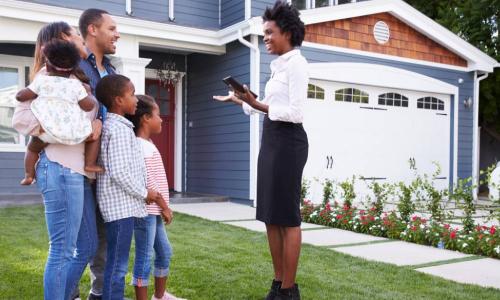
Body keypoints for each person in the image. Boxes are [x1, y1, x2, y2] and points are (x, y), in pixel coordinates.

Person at [213, 2, 308, 299]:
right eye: (263, 33)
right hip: (271, 141)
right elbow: (268, 109)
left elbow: (294, 112)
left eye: (270, 32)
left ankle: (290, 290)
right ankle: (278, 282)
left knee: (287, 217)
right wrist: (242, 101)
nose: (265, 37)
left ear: (288, 33)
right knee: (270, 215)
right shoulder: (277, 66)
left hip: (289, 143)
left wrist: (256, 104)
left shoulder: (297, 64)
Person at [15, 21, 100, 300]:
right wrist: (67, 130)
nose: (80, 36)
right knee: (62, 248)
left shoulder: (72, 79)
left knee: (86, 244)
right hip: (60, 168)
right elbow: (22, 119)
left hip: (78, 172)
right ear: (61, 40)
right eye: (75, 33)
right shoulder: (46, 78)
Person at [95, 74, 164, 299]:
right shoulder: (119, 130)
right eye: (132, 94)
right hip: (119, 210)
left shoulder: (120, 127)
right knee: (118, 265)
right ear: (118, 100)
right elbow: (120, 171)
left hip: (123, 208)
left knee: (117, 262)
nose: (135, 99)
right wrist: (145, 193)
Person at [14, 39, 103, 186]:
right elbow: (88, 106)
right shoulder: (76, 85)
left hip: (46, 132)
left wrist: (20, 94)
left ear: (47, 66)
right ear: (74, 68)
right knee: (95, 135)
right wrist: (90, 98)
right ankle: (90, 163)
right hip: (73, 133)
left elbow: (23, 96)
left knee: (32, 148)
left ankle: (29, 175)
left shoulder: (42, 80)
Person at [77, 8, 120, 300]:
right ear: (93, 30)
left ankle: (100, 294)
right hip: (79, 164)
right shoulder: (76, 65)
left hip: (108, 166)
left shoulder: (113, 72)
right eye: (112, 28)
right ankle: (68, 294)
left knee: (105, 239)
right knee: (80, 241)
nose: (117, 34)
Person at [125, 95, 182, 300]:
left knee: (164, 252)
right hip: (145, 211)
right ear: (145, 119)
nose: (161, 119)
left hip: (153, 211)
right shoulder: (140, 145)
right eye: (157, 115)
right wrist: (164, 206)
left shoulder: (147, 143)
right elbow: (148, 183)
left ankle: (159, 296)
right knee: (144, 257)